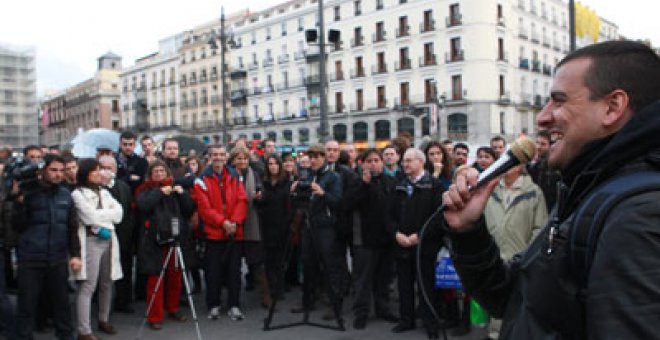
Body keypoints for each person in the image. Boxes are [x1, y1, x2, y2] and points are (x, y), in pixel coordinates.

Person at [442, 40, 660, 339]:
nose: (543, 117)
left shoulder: (639, 213)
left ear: (612, 107)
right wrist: (469, 232)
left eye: (559, 101)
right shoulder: (587, 190)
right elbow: (514, 300)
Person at [12, 154, 79, 340]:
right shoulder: (28, 193)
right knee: (26, 307)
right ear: (42, 171)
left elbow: (72, 226)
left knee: (62, 308)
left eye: (61, 171)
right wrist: (18, 203)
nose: (58, 175)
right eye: (53, 170)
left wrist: (75, 255)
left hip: (57, 260)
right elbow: (17, 226)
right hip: (30, 260)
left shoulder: (66, 194)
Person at [390, 148, 444, 339]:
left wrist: (419, 236)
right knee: (404, 285)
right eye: (404, 161)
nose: (405, 164)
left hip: (424, 246)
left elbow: (439, 217)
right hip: (401, 244)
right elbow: (389, 214)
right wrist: (396, 233)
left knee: (426, 286)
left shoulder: (434, 185)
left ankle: (431, 324)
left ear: (421, 162)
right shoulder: (399, 185)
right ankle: (406, 320)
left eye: (409, 161)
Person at [136, 160, 195, 330]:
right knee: (155, 278)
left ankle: (173, 307)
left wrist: (182, 193)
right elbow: (143, 205)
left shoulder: (175, 187)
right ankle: (155, 315)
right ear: (150, 174)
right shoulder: (145, 189)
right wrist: (160, 192)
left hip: (175, 237)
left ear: (168, 173)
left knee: (175, 276)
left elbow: (188, 209)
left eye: (162, 171)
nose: (160, 174)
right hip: (154, 240)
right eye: (156, 171)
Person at [191, 145, 248, 321]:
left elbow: (242, 200)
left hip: (234, 232)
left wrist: (235, 222)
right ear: (209, 157)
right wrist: (223, 223)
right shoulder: (201, 180)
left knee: (234, 272)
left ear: (226, 157)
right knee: (212, 272)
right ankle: (213, 305)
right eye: (215, 155)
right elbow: (204, 208)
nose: (218, 158)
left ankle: (234, 305)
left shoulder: (235, 176)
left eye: (222, 155)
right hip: (214, 233)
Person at [71, 158, 124, 339]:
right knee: (88, 285)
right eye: (95, 170)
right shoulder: (78, 194)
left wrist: (103, 217)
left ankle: (103, 319)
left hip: (109, 239)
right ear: (86, 173)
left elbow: (119, 213)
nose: (99, 173)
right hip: (90, 241)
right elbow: (89, 217)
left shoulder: (104, 192)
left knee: (107, 282)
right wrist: (105, 216)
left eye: (100, 169)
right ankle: (84, 330)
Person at [292, 143, 345, 324]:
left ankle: (334, 304)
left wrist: (322, 193)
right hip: (309, 225)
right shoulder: (306, 175)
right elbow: (301, 202)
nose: (313, 160)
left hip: (326, 227)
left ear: (324, 158)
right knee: (308, 264)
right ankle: (308, 301)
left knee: (330, 266)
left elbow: (337, 202)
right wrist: (295, 191)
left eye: (316, 157)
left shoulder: (333, 177)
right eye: (311, 157)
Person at [347, 149, 399, 330]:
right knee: (363, 280)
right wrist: (364, 184)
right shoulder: (356, 182)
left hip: (386, 239)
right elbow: (348, 203)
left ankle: (383, 309)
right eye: (369, 161)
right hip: (364, 239)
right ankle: (361, 313)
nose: (373, 163)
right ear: (363, 163)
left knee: (383, 278)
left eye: (377, 160)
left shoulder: (391, 181)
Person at [230, 146, 270, 309]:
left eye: (245, 158)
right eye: (239, 158)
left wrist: (260, 196)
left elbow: (262, 192)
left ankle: (266, 295)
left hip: (252, 222)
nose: (242, 161)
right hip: (233, 223)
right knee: (233, 267)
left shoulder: (254, 174)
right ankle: (233, 300)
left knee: (257, 263)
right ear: (233, 161)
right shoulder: (227, 175)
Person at [98, 156, 136, 314]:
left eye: (110, 168)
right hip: (100, 236)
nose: (106, 171)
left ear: (115, 169)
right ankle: (99, 304)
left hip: (123, 235)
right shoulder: (93, 188)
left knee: (124, 271)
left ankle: (123, 301)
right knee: (101, 273)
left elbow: (129, 212)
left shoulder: (124, 187)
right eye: (103, 167)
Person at [254, 154, 292, 306]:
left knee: (280, 260)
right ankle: (270, 290)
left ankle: (280, 288)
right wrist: (258, 200)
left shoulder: (286, 183)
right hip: (266, 226)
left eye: (276, 163)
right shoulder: (264, 183)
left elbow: (289, 206)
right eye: (270, 163)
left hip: (283, 226)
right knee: (268, 260)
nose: (273, 166)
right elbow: (260, 205)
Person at [527, 130, 561, 210]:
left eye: (543, 144)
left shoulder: (557, 166)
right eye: (537, 143)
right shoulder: (534, 167)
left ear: (551, 146)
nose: (538, 147)